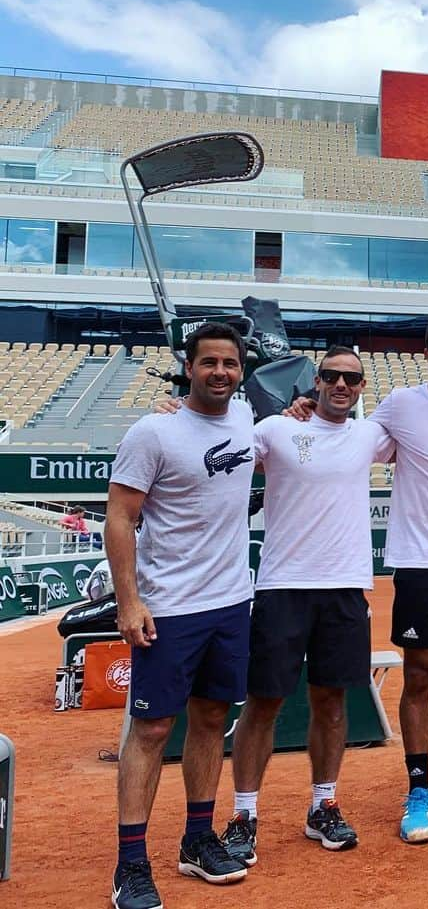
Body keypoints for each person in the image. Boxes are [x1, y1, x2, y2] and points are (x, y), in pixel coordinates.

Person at [288, 316, 428, 844]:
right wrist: (303, 411)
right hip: (419, 563)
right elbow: (340, 434)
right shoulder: (399, 406)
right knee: (419, 675)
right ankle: (419, 790)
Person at [213, 347, 395, 866]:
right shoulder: (274, 429)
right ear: (316, 381)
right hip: (282, 587)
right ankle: (244, 813)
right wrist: (174, 409)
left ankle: (324, 804)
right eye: (332, 376)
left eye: (352, 379)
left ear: (362, 387)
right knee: (264, 702)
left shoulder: (371, 435)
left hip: (345, 588)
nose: (341, 385)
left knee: (333, 702)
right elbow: (215, 441)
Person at [105, 322, 254, 909]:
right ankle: (131, 865)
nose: (221, 372)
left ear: (240, 371)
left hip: (230, 601)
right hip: (168, 606)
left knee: (212, 720)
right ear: (188, 367)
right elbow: (120, 517)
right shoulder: (154, 430)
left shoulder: (246, 419)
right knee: (152, 731)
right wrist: (129, 600)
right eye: (209, 362)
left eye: (231, 364)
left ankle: (197, 838)